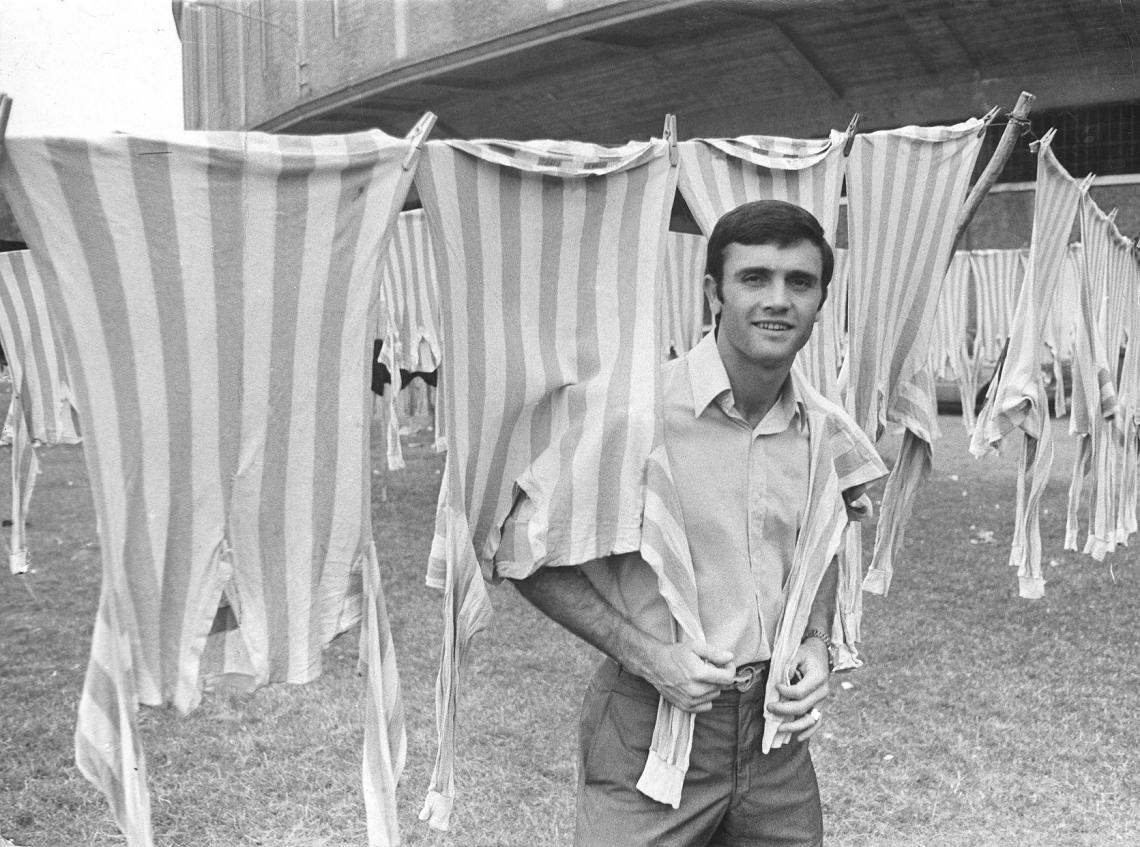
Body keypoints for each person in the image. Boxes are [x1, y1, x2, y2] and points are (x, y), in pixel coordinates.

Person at [510, 200, 885, 846]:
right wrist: (650, 656)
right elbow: (521, 551)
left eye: (800, 281)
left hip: (775, 742)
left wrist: (817, 639)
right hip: (651, 727)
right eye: (754, 278)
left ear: (822, 299)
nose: (778, 299)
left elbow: (826, 534)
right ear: (713, 290)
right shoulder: (638, 414)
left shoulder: (821, 428)